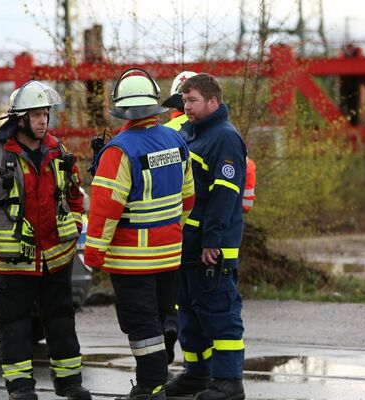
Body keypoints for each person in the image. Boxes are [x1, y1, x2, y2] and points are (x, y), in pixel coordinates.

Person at [0, 81, 91, 400]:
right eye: (36, 115)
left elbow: (75, 195)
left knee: (61, 321)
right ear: (19, 119)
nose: (43, 121)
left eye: (45, 114)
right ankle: (20, 388)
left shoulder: (57, 150)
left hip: (56, 256)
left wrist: (74, 227)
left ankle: (70, 383)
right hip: (15, 261)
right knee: (14, 325)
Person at [85, 68, 195, 400]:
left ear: (122, 108)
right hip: (169, 253)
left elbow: (105, 209)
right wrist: (172, 231)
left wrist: (94, 253)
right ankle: (168, 337)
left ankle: (150, 388)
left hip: (132, 260)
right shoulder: (175, 140)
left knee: (141, 326)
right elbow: (188, 198)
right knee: (161, 316)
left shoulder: (119, 151)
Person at [161, 70, 256, 367]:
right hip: (191, 245)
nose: (186, 106)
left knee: (219, 314)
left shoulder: (224, 137)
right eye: (184, 100)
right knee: (190, 313)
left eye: (192, 100)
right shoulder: (195, 132)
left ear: (212, 102)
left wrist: (210, 241)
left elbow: (223, 198)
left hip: (212, 250)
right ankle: (196, 373)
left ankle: (228, 381)